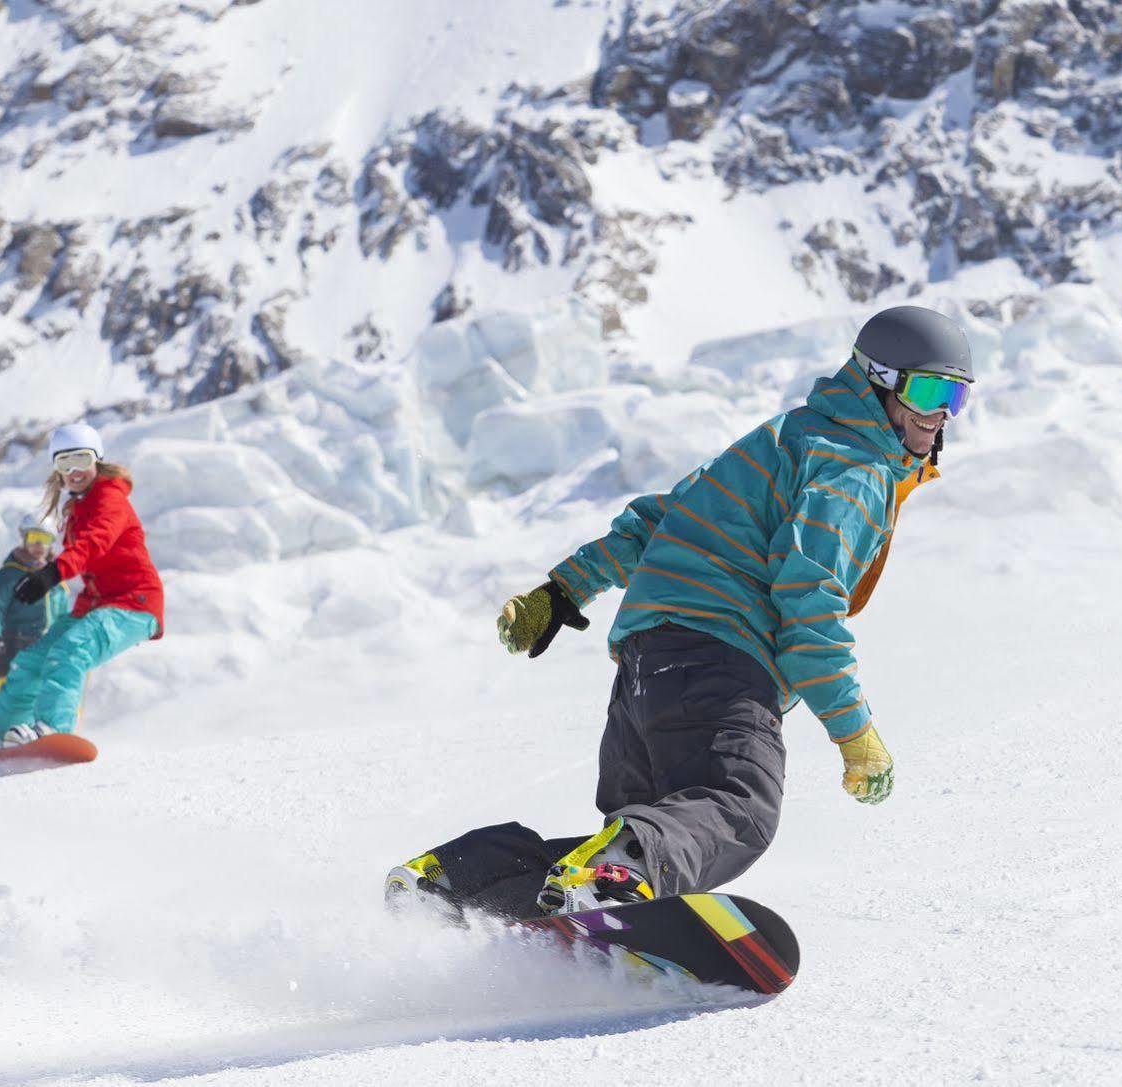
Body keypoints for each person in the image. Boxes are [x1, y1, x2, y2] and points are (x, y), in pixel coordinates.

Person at [387, 305, 974, 921]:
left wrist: (561, 594)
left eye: (955, 399)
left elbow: (663, 523)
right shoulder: (853, 468)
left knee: (660, 841)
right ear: (876, 380)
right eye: (930, 391)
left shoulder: (784, 437)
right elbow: (809, 607)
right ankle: (614, 877)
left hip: (645, 676)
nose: (939, 418)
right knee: (737, 807)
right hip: (719, 668)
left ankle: (459, 884)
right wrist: (856, 735)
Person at [0, 424, 164, 752]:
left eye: (81, 459)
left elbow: (96, 542)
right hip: (96, 605)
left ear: (98, 459)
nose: (75, 471)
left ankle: (53, 728)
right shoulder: (76, 507)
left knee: (70, 651)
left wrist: (52, 574)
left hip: (133, 604)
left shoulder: (110, 499)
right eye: (65, 463)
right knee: (31, 660)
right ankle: (1, 735)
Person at [0, 515, 73, 690]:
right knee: (14, 711)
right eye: (34, 538)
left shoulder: (56, 583)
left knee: (48, 710)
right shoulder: (9, 576)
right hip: (14, 653)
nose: (39, 545)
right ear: (24, 540)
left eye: (44, 539)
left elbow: (62, 620)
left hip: (47, 657)